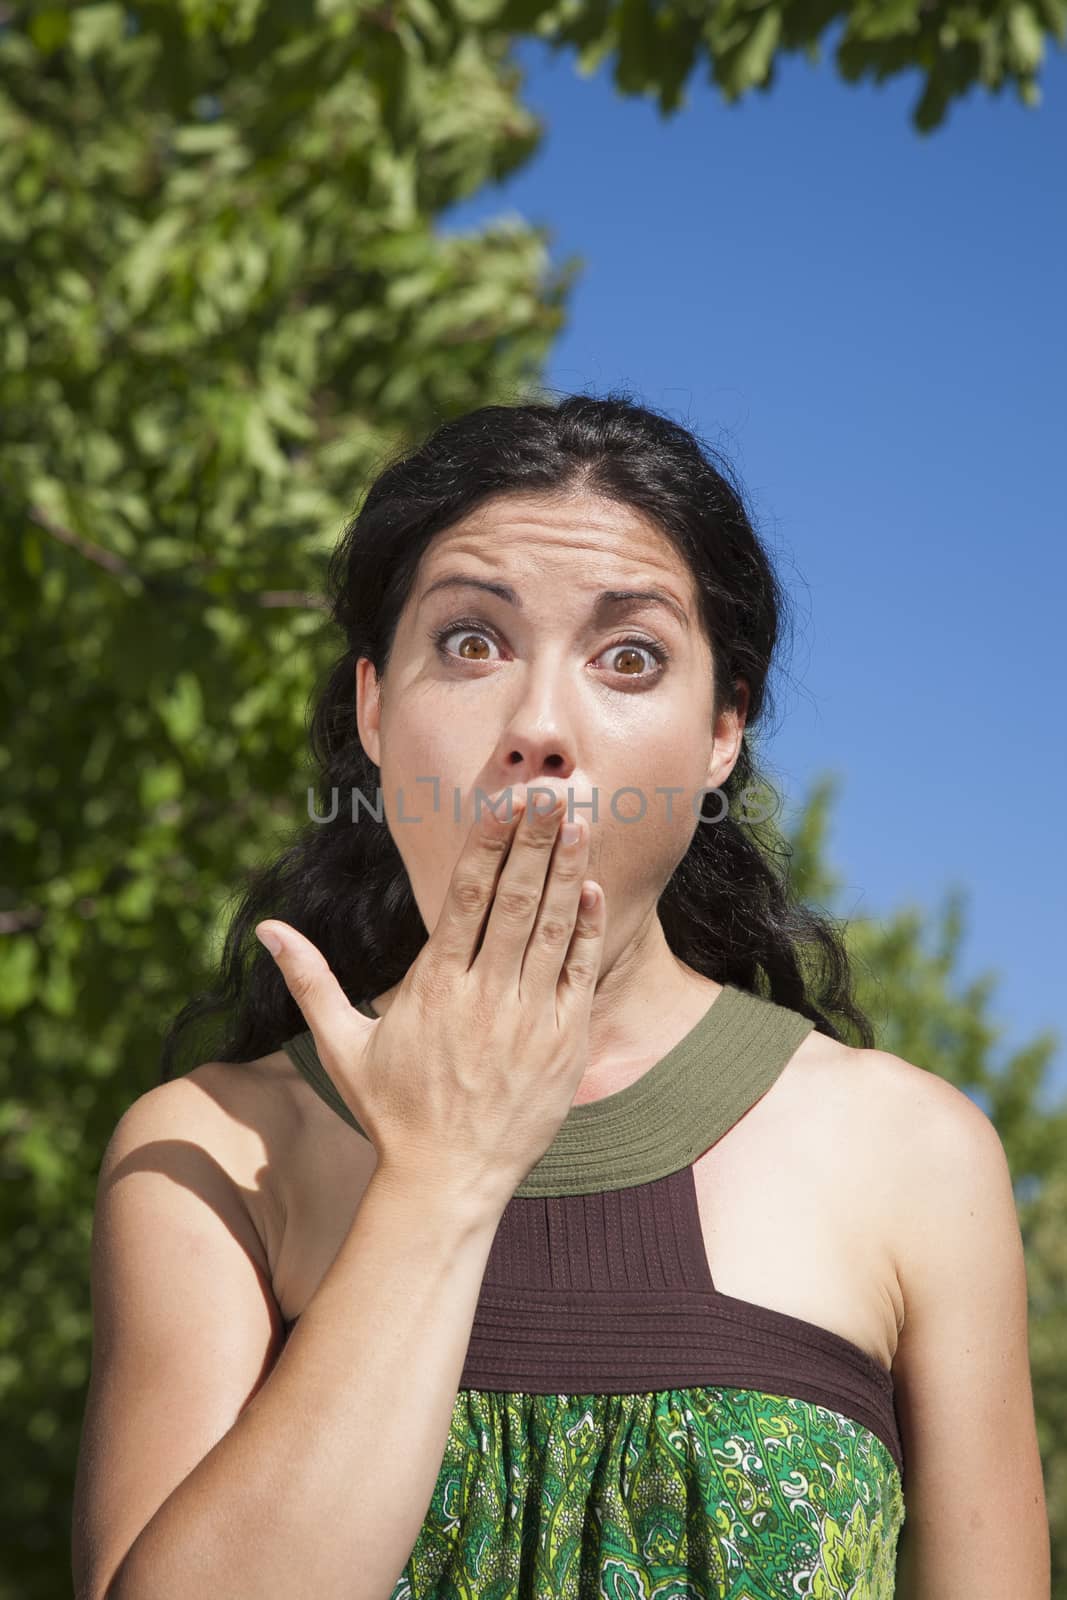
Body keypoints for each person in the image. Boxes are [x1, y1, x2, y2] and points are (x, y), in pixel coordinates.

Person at [72, 393, 1049, 1600]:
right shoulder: (209, 1151)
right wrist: (441, 1176)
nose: (539, 725)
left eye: (627, 657)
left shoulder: (915, 1156)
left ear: (718, 734)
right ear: (374, 707)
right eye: (471, 642)